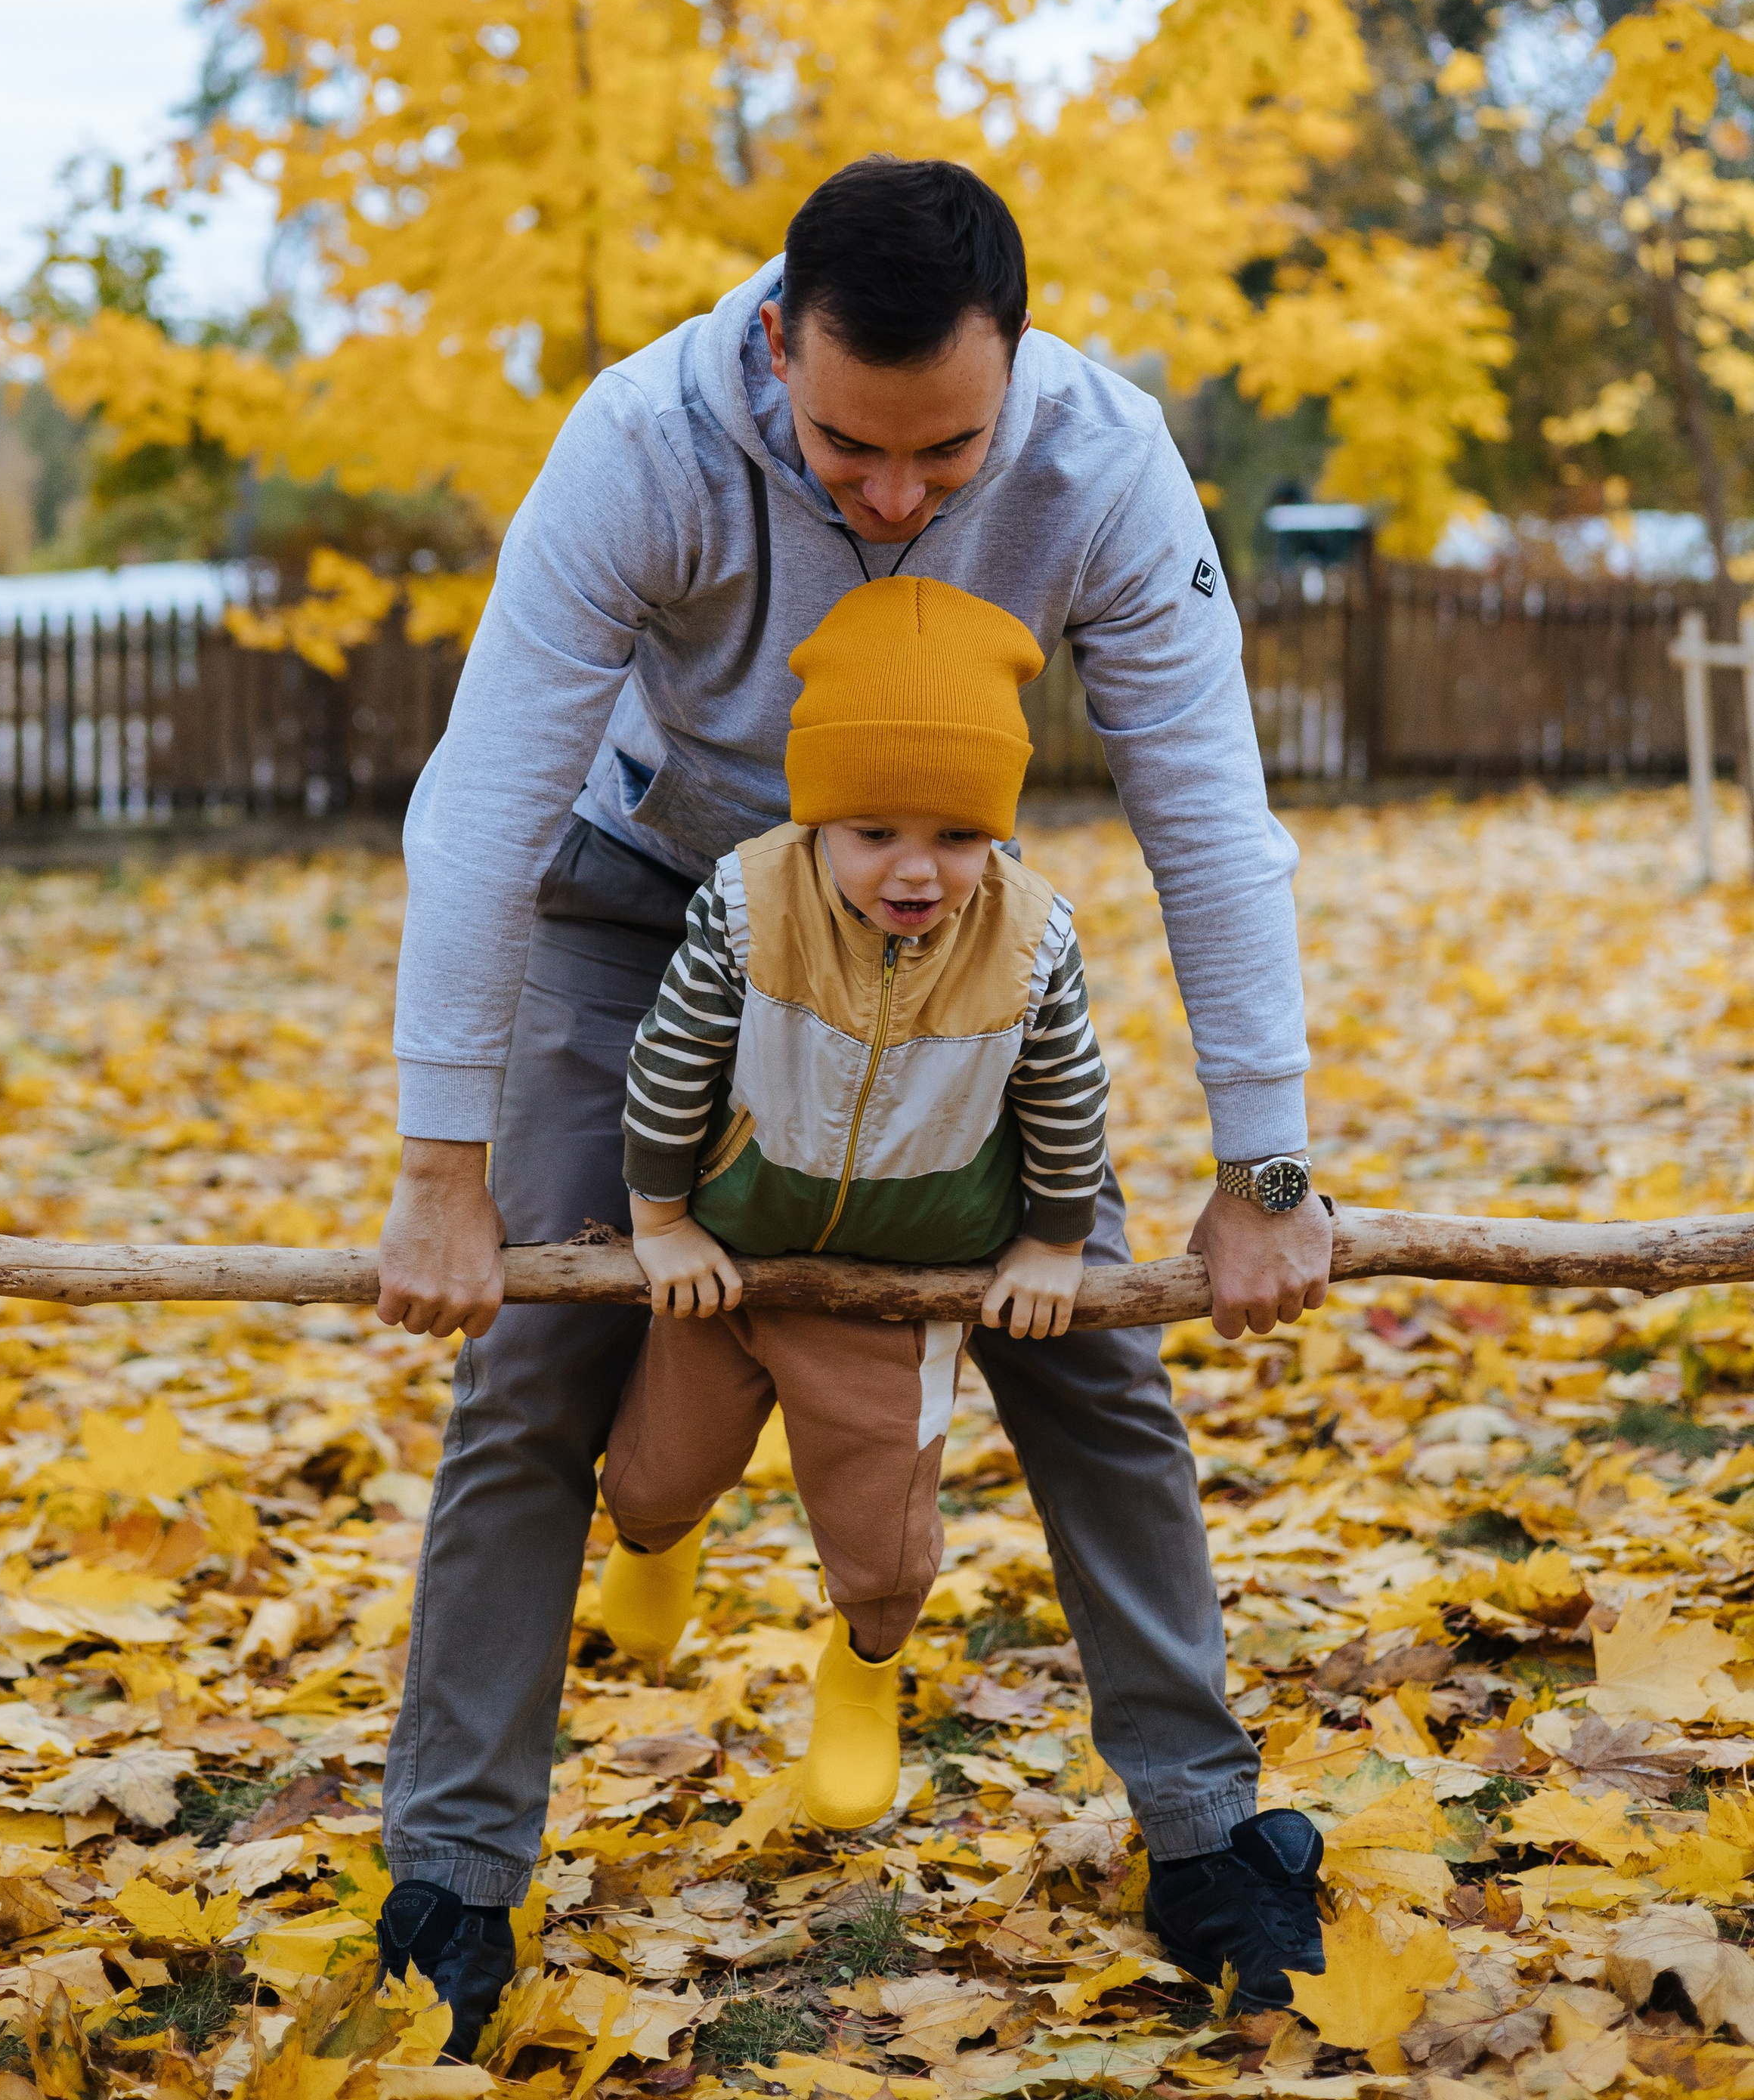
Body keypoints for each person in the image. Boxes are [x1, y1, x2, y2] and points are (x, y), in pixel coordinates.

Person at [373, 155, 1333, 2040]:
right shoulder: (640, 439)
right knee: (542, 1347)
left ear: (1019, 372)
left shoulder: (1107, 466)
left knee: (1084, 1348)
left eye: (942, 454)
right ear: (769, 343)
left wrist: (1268, 1159)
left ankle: (1207, 1828)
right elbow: (484, 800)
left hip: (923, 913)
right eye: (844, 447)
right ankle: (452, 1871)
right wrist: (439, 1164)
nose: (891, 498)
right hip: (637, 896)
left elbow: (1207, 816)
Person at [598, 574, 1108, 1833]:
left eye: (955, 833)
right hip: (730, 1255)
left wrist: (1054, 1238)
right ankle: (656, 1543)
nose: (916, 869)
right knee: (656, 1473)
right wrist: (662, 1220)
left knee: (884, 1548)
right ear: (816, 816)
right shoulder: (747, 902)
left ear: (998, 832)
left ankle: (865, 1672)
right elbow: (670, 1061)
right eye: (873, 829)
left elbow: (1068, 1096)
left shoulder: (1031, 938)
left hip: (905, 1283)